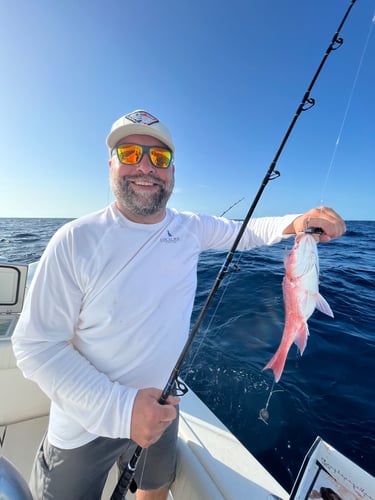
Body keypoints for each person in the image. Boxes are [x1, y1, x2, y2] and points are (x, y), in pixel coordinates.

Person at [12, 109, 346, 500]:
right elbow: (35, 346)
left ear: (172, 171)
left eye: (159, 158)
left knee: (154, 491)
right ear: (111, 164)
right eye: (130, 153)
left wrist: (301, 220)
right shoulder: (74, 240)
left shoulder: (190, 227)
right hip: (84, 423)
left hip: (163, 402)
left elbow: (251, 229)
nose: (145, 167)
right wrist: (121, 408)